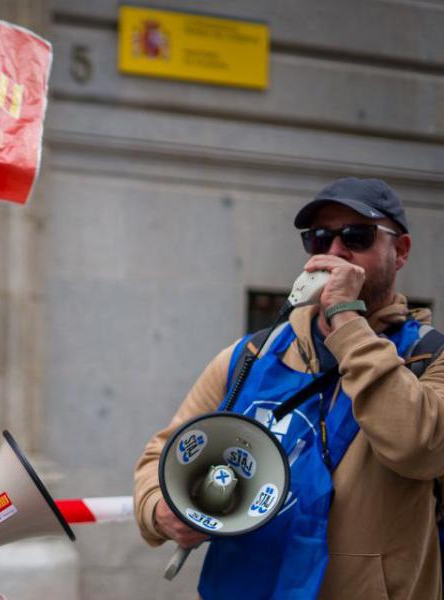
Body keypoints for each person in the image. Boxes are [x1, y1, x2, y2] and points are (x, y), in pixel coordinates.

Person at [133, 178, 444, 599]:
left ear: (400, 250)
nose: (334, 252)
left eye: (357, 235)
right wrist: (160, 509)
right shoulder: (250, 357)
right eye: (320, 238)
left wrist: (346, 320)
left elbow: (415, 446)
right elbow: (164, 454)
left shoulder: (428, 357)